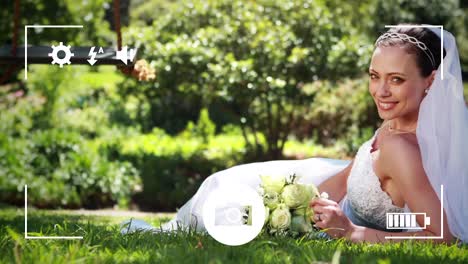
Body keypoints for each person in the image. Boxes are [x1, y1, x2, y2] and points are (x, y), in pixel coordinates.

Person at [122, 25, 468, 244]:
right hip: (325, 192)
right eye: (374, 75)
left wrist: (352, 232)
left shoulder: (402, 148)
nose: (380, 91)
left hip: (340, 213)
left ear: (430, 80)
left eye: (396, 79)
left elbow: (440, 235)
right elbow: (354, 180)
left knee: (225, 199)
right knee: (230, 187)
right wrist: (295, 203)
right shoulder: (394, 125)